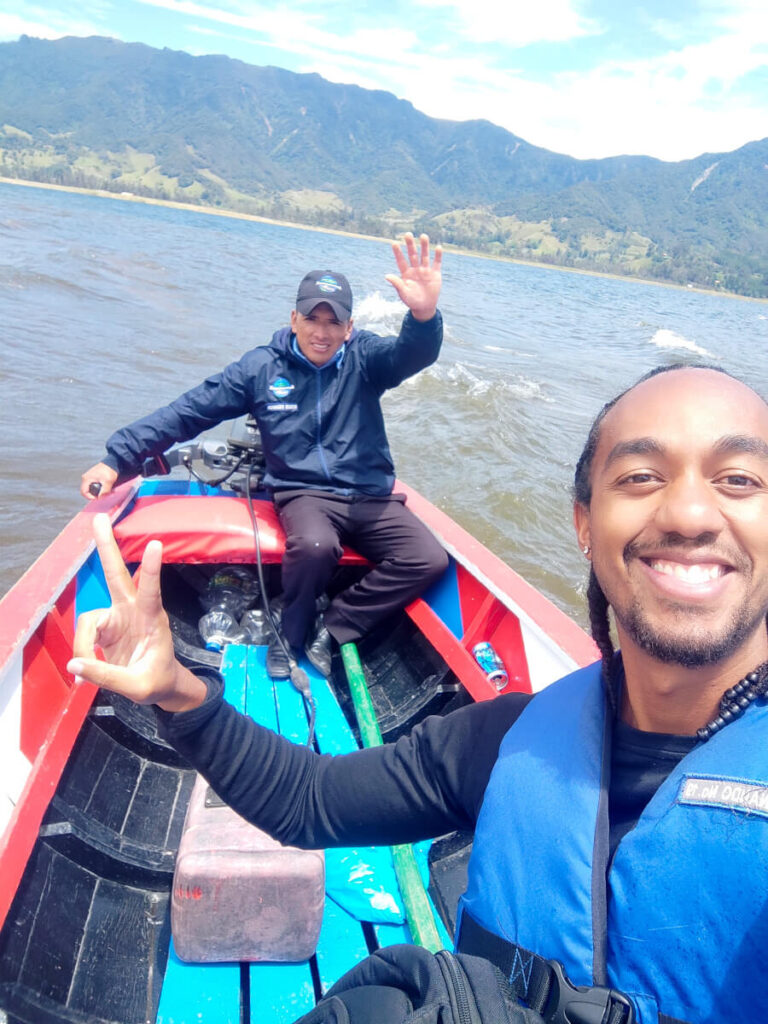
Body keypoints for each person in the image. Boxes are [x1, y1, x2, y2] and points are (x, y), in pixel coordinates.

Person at [68, 364, 768, 1024]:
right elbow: (312, 800)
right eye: (641, 476)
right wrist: (177, 691)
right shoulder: (508, 742)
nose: (687, 513)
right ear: (585, 525)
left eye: (738, 480)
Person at [80, 233, 448, 679]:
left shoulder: (366, 359)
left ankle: (331, 628)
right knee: (315, 546)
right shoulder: (261, 368)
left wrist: (423, 314)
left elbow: (411, 354)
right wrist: (118, 458)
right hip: (306, 494)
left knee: (428, 559)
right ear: (294, 319)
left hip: (370, 496)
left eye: (334, 323)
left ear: (349, 329)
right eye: (313, 318)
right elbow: (189, 411)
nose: (322, 331)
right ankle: (288, 637)